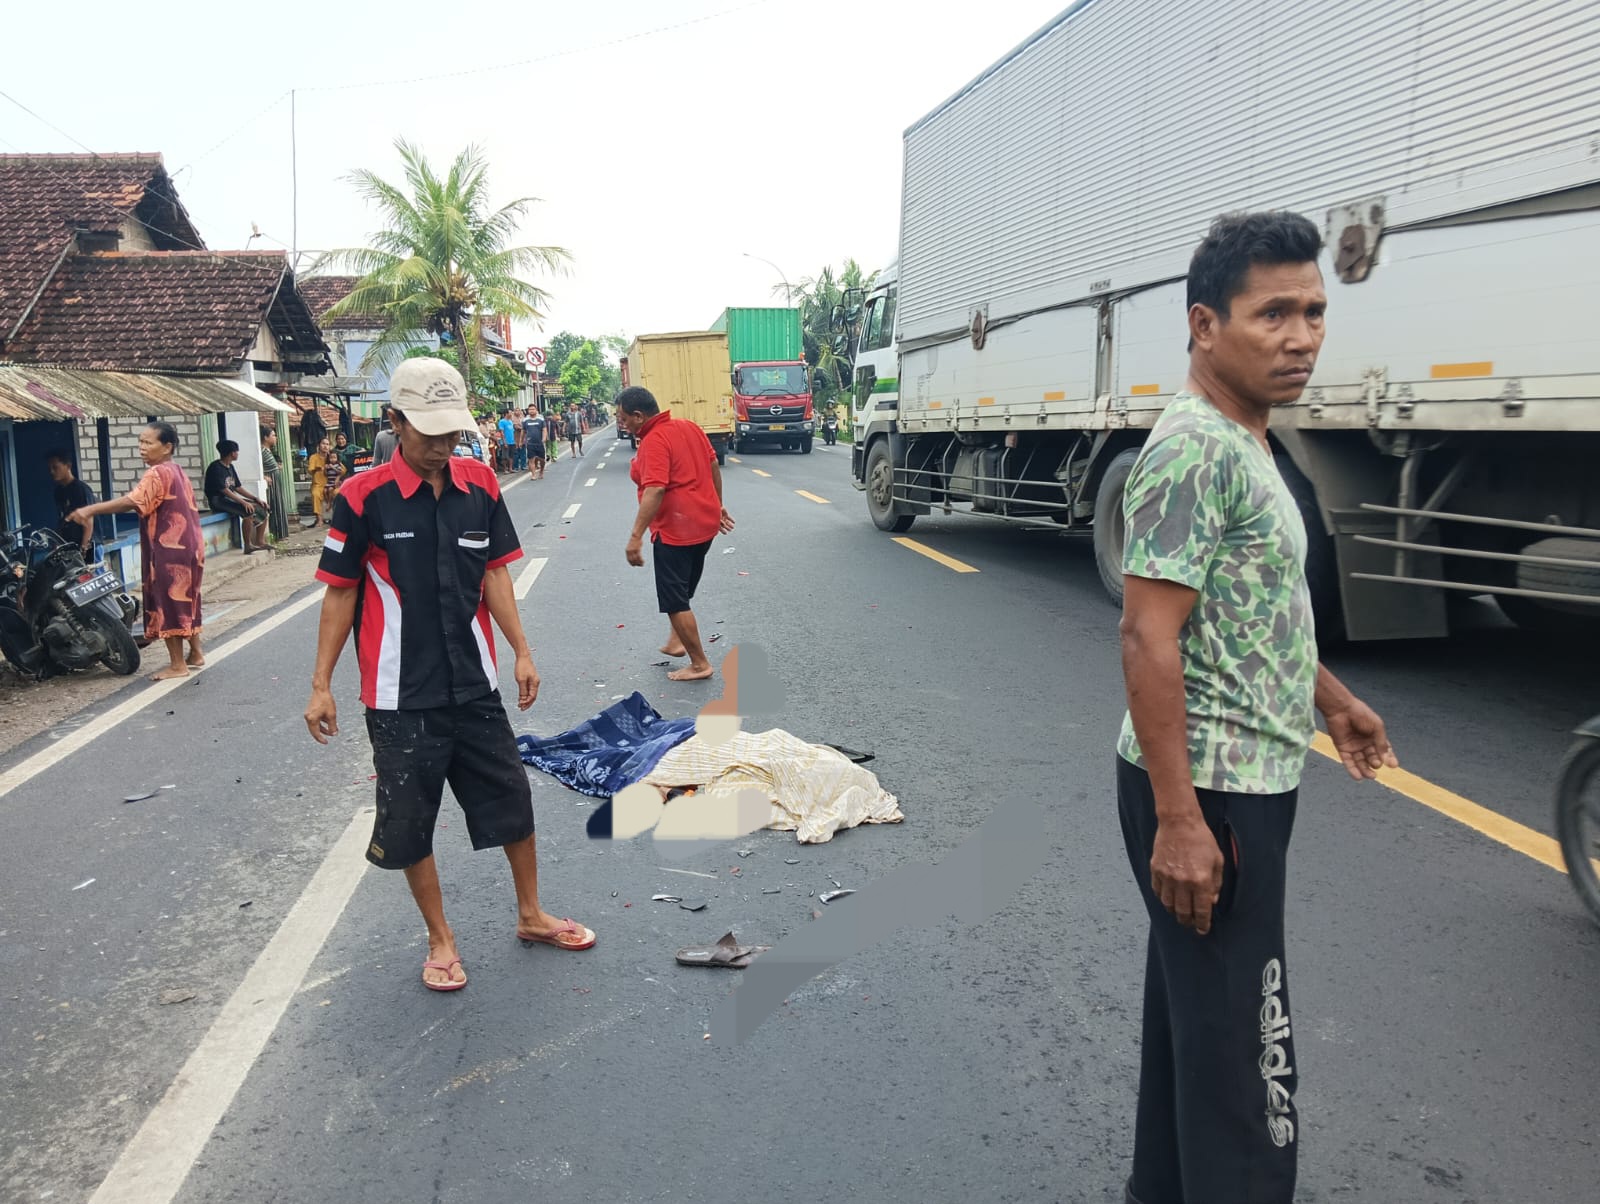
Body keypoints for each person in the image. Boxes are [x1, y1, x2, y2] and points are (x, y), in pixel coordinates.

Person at [1115, 211, 1398, 1204]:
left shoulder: (1248, 441)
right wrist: (1183, 822)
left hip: (1241, 775)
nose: (1301, 335)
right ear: (1204, 325)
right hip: (1212, 789)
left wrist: (1331, 699)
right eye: (1272, 311)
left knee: (1194, 1032)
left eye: (1313, 311)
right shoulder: (1194, 447)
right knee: (1249, 1063)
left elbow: (1248, 611)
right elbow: (1148, 635)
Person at [303, 356, 594, 994]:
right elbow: (340, 594)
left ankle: (531, 914)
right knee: (410, 819)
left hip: (474, 682)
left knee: (511, 797)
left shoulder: (480, 486)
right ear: (396, 421)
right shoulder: (362, 498)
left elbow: (494, 573)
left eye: (451, 432)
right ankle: (441, 938)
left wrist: (520, 648)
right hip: (398, 695)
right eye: (429, 432)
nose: (443, 445)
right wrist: (322, 683)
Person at [67, 421, 203, 681]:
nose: (142, 448)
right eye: (140, 442)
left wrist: (90, 509)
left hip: (169, 548)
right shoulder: (177, 470)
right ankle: (195, 653)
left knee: (168, 601)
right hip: (191, 546)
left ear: (167, 447)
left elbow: (132, 501)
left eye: (148, 443)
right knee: (187, 599)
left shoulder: (157, 473)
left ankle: (177, 664)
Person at [616, 386, 735, 682]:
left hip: (676, 530)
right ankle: (676, 640)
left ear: (639, 416)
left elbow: (655, 488)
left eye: (623, 418)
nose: (621, 424)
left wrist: (635, 536)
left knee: (674, 599)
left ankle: (699, 664)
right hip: (704, 526)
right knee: (682, 586)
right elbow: (712, 467)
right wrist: (718, 506)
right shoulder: (688, 427)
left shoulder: (654, 441)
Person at [204, 439, 270, 554]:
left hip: (229, 498)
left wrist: (255, 498)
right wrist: (243, 502)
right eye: (236, 452)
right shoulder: (215, 467)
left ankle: (260, 541)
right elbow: (224, 490)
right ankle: (248, 545)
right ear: (232, 453)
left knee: (262, 506)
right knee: (248, 511)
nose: (237, 454)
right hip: (218, 500)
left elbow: (238, 487)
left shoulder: (230, 467)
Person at [46, 450, 95, 554]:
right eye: (49, 468)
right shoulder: (58, 491)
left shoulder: (80, 489)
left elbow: (88, 520)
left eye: (55, 467)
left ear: (68, 466)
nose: (52, 472)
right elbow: (62, 518)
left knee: (91, 570)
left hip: (88, 544)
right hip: (71, 545)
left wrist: (84, 547)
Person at [259, 427, 290, 542]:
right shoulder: (261, 451)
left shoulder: (268, 451)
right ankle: (274, 533)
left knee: (279, 506)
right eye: (273, 435)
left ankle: (281, 533)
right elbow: (256, 468)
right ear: (266, 437)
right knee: (274, 507)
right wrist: (263, 476)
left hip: (276, 483)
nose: (275, 437)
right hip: (271, 485)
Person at [522, 408, 547, 479]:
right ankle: (533, 474)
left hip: (539, 443)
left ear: (536, 410)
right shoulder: (525, 420)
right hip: (530, 443)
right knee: (531, 459)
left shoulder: (541, 419)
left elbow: (544, 429)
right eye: (530, 409)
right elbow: (523, 431)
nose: (531, 411)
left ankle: (541, 471)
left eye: (533, 409)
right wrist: (521, 441)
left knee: (542, 460)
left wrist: (544, 438)